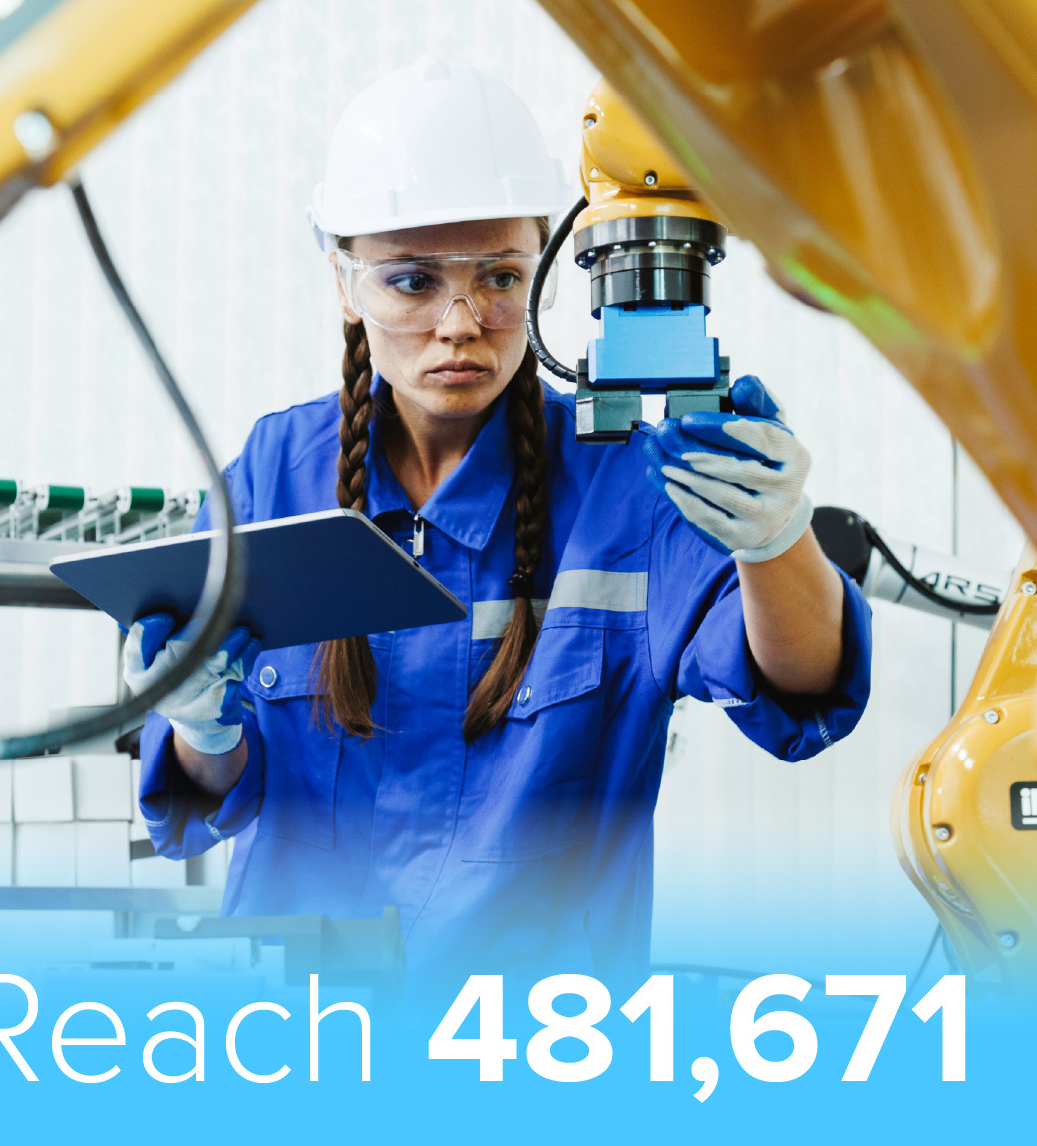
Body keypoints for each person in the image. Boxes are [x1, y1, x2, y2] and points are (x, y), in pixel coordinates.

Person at [127, 57, 871, 987]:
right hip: (293, 1036)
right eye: (412, 282)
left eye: (499, 278)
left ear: (546, 273)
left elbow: (801, 691)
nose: (462, 323)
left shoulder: (626, 486)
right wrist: (203, 727)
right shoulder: (275, 475)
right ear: (344, 284)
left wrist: (776, 538)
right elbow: (202, 798)